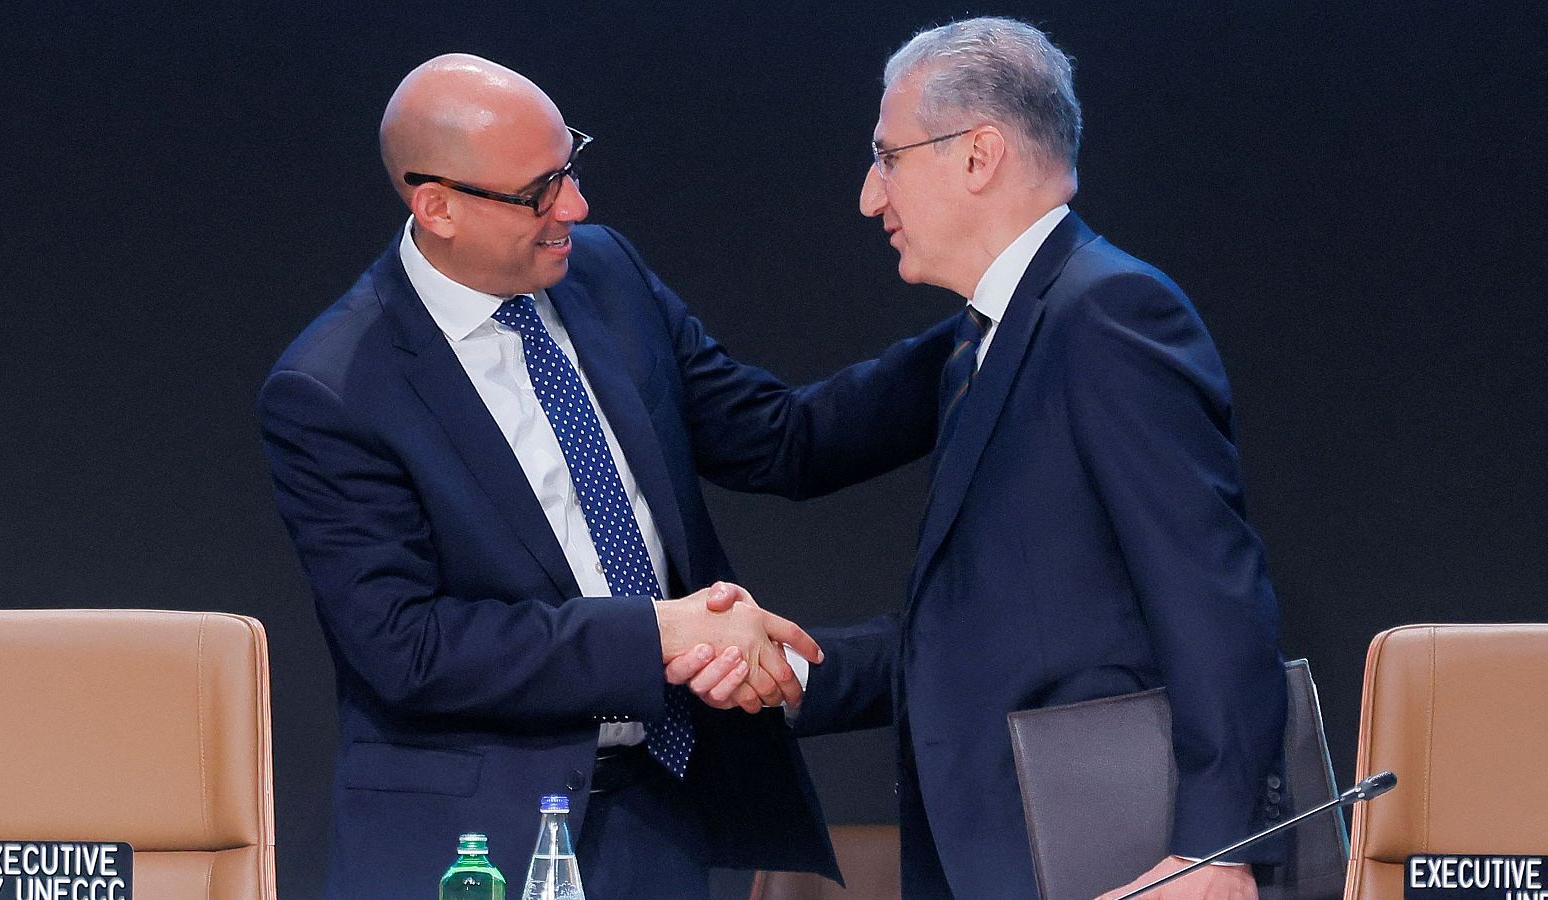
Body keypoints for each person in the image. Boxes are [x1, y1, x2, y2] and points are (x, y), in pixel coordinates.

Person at [258, 54, 953, 899]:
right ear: (435, 205)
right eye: (539, 192)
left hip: (652, 814)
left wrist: (988, 329)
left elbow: (780, 437)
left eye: (571, 169)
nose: (575, 209)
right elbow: (411, 647)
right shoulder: (335, 387)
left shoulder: (605, 275)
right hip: (475, 845)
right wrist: (662, 633)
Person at [767, 17, 1289, 900]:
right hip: (1004, 856)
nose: (868, 195)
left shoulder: (1109, 314)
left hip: (1111, 860)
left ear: (978, 155)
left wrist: (1220, 847)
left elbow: (1212, 589)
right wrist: (793, 678)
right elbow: (998, 629)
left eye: (887, 156)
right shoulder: (989, 339)